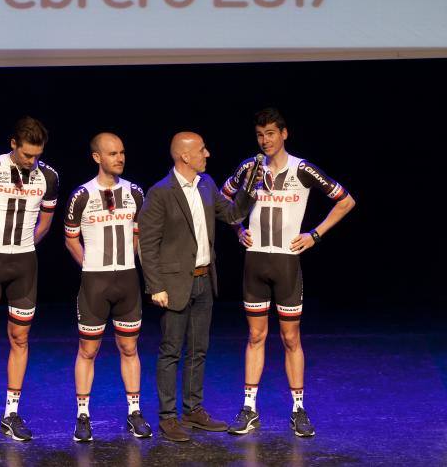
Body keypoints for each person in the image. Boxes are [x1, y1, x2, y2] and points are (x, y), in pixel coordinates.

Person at [221, 108, 355, 438]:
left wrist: (315, 234)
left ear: (284, 134)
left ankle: (298, 409)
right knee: (255, 336)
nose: (265, 140)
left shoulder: (302, 169)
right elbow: (223, 199)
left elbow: (346, 201)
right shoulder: (248, 168)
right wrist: (238, 228)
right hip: (255, 262)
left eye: (270, 133)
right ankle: (249, 409)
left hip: (286, 264)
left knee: (291, 338)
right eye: (259, 134)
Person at [138, 131, 257, 442]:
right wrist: (155, 286)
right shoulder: (160, 192)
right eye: (202, 150)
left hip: (204, 279)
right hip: (174, 284)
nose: (208, 154)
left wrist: (249, 189)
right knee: (171, 351)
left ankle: (193, 410)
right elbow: (147, 245)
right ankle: (168, 417)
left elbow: (232, 213)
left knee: (199, 350)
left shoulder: (206, 184)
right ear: (185, 157)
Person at [0, 117, 59, 443]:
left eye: (37, 155)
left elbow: (46, 221)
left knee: (20, 338)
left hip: (25, 265)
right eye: (27, 154)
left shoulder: (49, 176)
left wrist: (25, 247)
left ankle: (10, 414)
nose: (32, 161)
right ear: (13, 144)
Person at [64, 133, 152, 442]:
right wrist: (90, 266)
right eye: (113, 153)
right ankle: (83, 415)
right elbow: (70, 238)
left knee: (129, 347)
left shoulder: (136, 193)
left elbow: (139, 232)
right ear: (97, 157)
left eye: (122, 153)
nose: (120, 158)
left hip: (127, 280)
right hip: (95, 283)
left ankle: (134, 412)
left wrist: (128, 260)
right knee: (88, 350)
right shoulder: (82, 195)